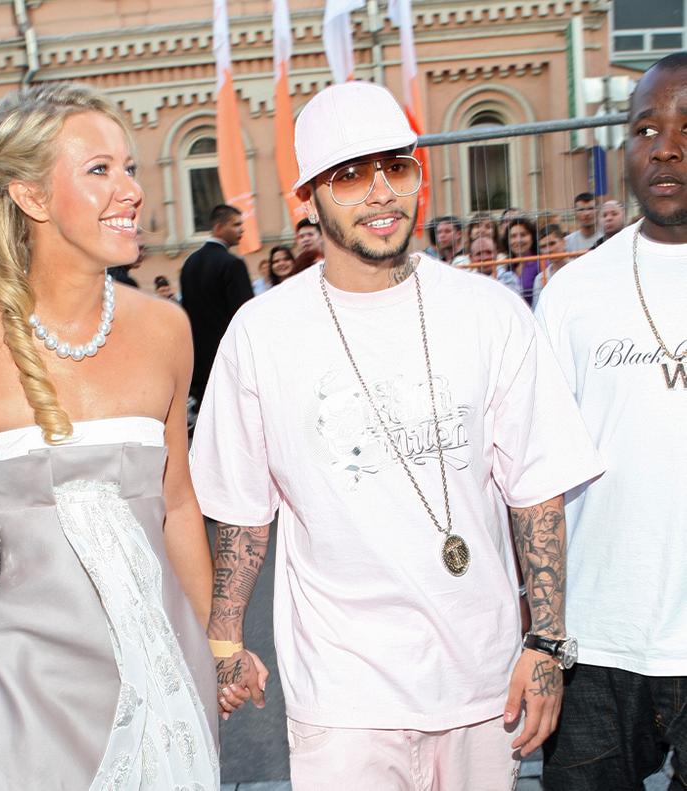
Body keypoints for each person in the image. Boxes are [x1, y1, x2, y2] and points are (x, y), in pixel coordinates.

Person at [190, 80, 603, 790]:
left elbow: (535, 487)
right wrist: (226, 640)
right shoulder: (262, 333)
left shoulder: (490, 313)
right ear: (308, 198)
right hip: (341, 690)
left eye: (396, 167)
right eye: (350, 175)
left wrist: (546, 642)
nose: (381, 192)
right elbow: (242, 513)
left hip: (480, 677)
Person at [0, 83, 219, 790]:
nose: (131, 190)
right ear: (31, 196)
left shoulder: (166, 330)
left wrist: (209, 649)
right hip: (22, 698)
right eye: (100, 169)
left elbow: (178, 502)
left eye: (129, 167)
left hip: (160, 685)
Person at [536, 52, 687, 790]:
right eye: (645, 129)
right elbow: (535, 471)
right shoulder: (574, 292)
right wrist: (539, 630)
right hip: (596, 639)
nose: (665, 148)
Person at [180, 204, 253, 404]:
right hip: (229, 359)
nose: (242, 230)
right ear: (219, 227)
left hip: (198, 361)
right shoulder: (232, 264)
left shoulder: (190, 263)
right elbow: (245, 313)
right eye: (236, 224)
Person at [531, 223, 570, 309]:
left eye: (552, 243)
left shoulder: (578, 268)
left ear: (563, 242)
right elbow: (537, 309)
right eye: (543, 246)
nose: (548, 250)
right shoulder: (540, 279)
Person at [504, 217, 539, 302]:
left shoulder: (541, 263)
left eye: (523, 235)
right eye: (513, 236)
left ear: (532, 237)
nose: (518, 240)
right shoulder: (506, 266)